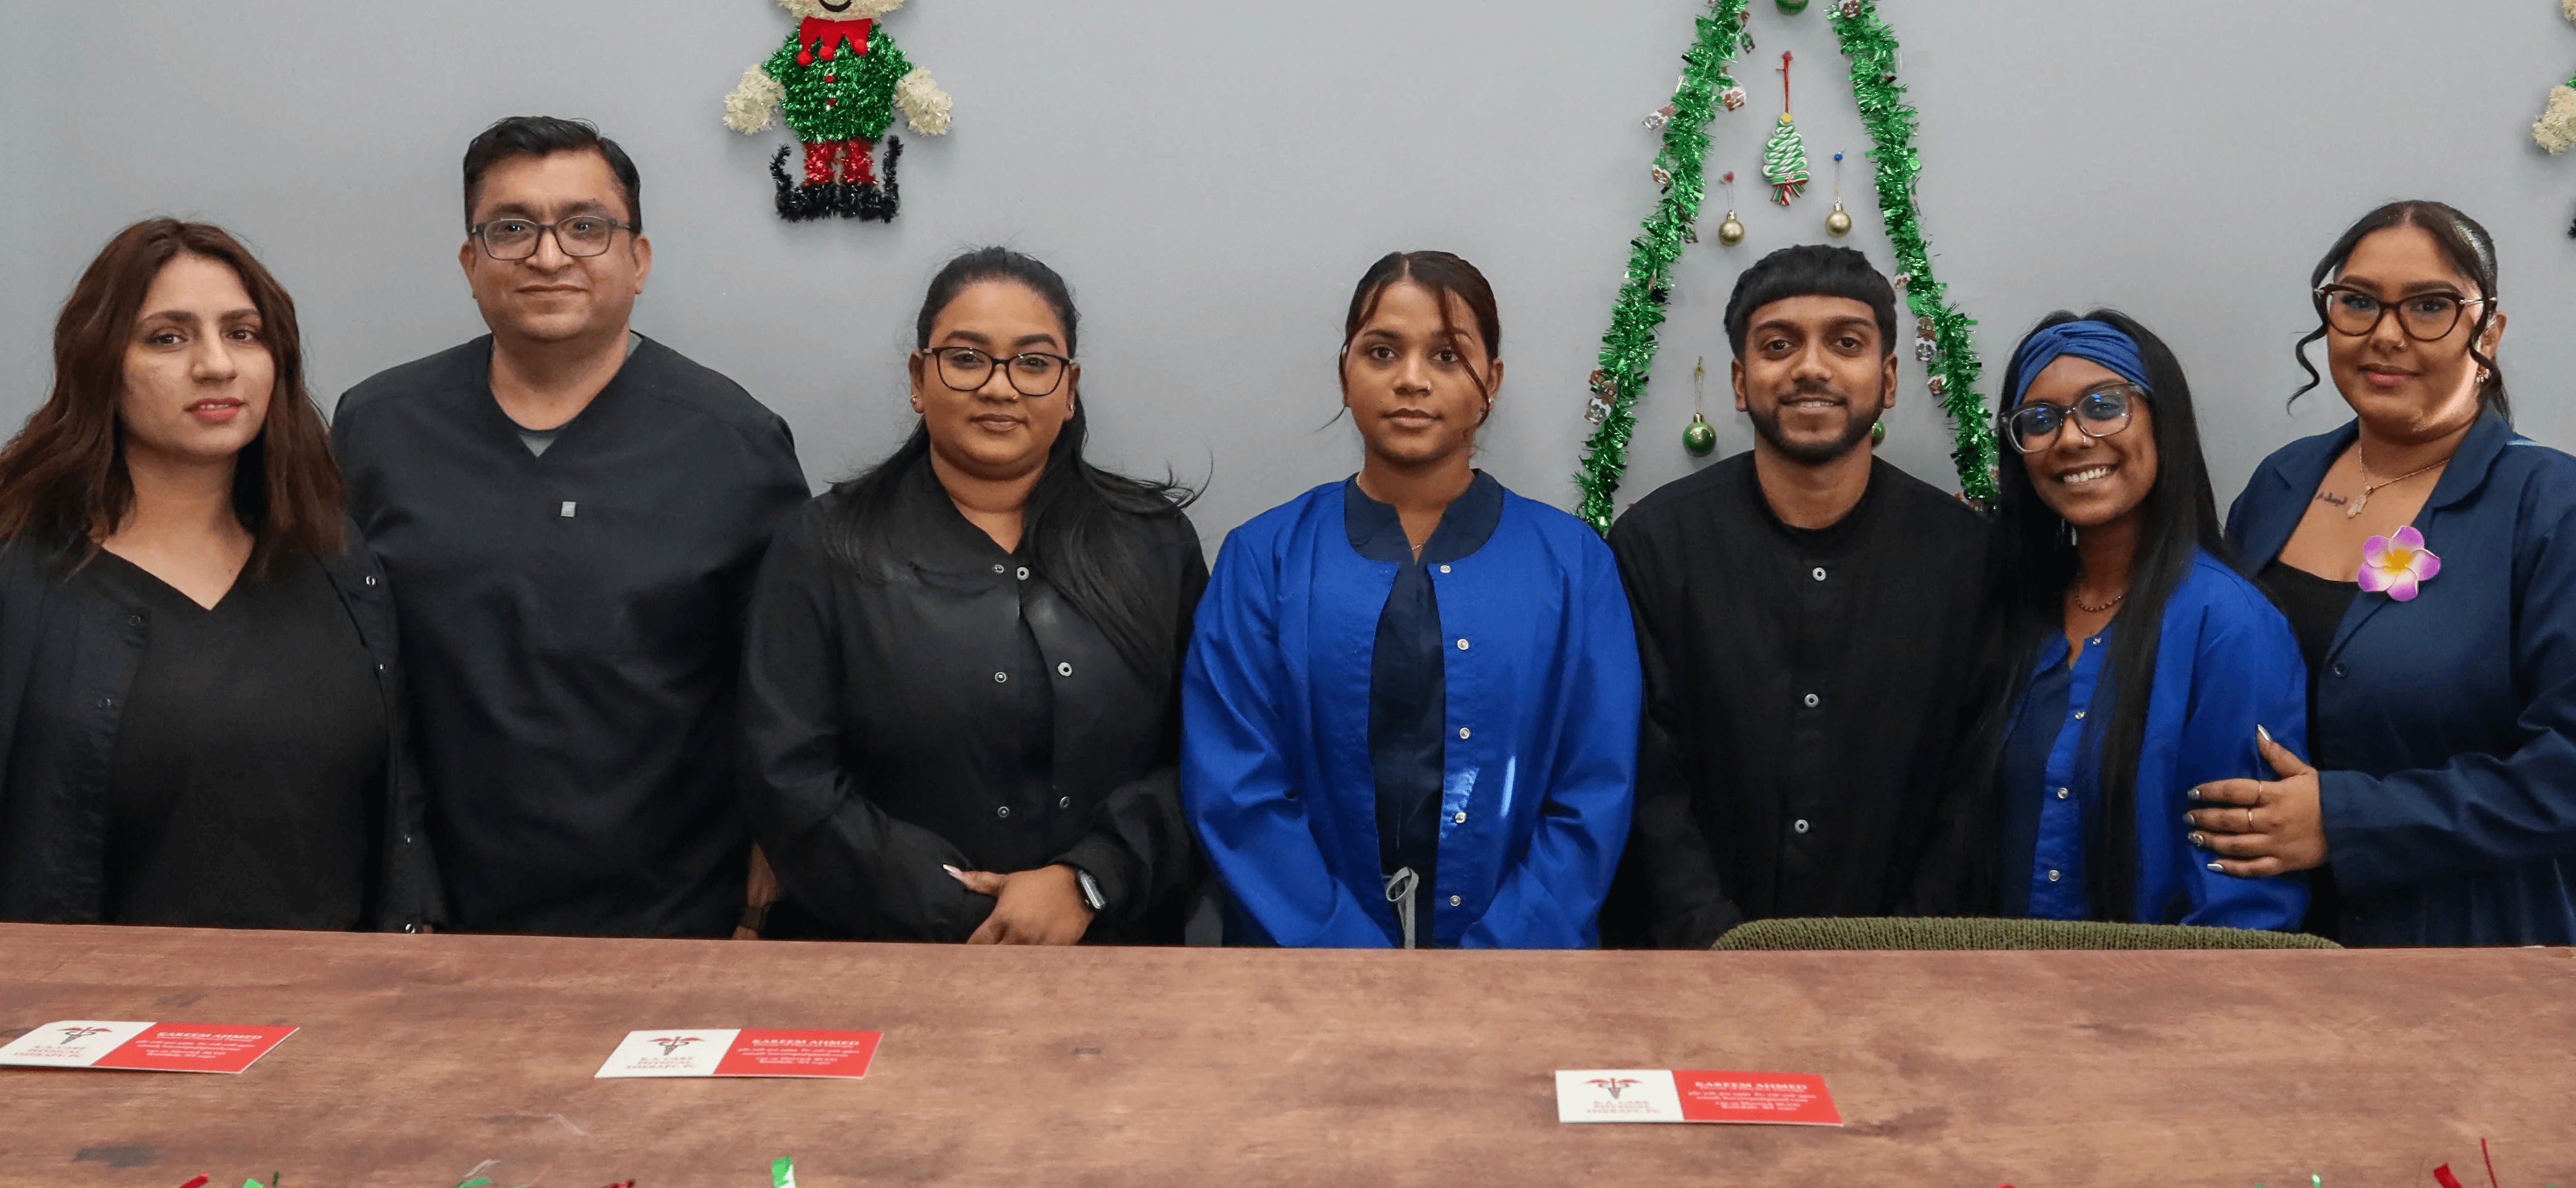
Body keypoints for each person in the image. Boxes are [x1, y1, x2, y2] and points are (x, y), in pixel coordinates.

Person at [334, 116, 809, 937]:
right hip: (424, 909)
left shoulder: (732, 443)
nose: (548, 256)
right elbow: (332, 669)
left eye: (585, 227)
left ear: (639, 260)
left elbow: (791, 687)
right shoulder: (378, 430)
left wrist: (769, 874)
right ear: (470, 262)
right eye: (511, 228)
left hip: (670, 912)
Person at [738, 248, 1204, 944]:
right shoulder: (825, 547)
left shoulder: (1154, 543)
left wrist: (1087, 883)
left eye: (1034, 362)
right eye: (966, 358)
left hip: (1113, 953)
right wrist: (966, 912)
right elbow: (786, 776)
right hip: (877, 952)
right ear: (918, 380)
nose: (1000, 387)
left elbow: (1208, 752)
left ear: (1069, 388)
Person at [1183, 250, 1639, 949]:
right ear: (1345, 373)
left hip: (1522, 980)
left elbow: (1593, 790)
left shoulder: (1574, 567)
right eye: (1382, 351)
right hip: (1300, 981)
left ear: (1490, 382)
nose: (1412, 380)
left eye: (1447, 356)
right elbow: (1237, 787)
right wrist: (1341, 955)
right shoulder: (1262, 561)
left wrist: (1496, 960)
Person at [0, 218, 436, 931]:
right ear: (101, 363)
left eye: (243, 333)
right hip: (92, 1024)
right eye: (168, 338)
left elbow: (397, 810)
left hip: (338, 1019)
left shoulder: (338, 563)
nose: (216, 366)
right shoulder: (22, 579)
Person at [2200, 200, 2576, 946]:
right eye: (2358, 302)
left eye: (2430, 306)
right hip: (2266, 940)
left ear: (2488, 331)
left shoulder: (2550, 507)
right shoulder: (2281, 484)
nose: (2386, 334)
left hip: (2474, 954)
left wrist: (2346, 821)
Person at [1602, 243, 1991, 949]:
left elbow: (1972, 792)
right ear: (1740, 380)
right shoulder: (1654, 546)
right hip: (1689, 971)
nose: (1811, 367)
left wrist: (1896, 955)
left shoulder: (1966, 559)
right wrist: (1717, 946)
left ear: (1890, 377)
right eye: (1779, 345)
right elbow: (1644, 778)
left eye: (1846, 343)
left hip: (1908, 981)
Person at [1970, 312, 2307, 927]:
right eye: (2039, 421)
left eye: (2103, 405)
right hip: (2000, 1000)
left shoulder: (2229, 626)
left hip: (2161, 1010)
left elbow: (2243, 904)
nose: (2070, 439)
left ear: (2164, 422)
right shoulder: (2012, 612)